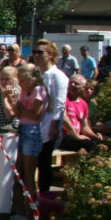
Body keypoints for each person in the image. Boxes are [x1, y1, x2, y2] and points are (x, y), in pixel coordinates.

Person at [13, 63, 48, 220]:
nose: (20, 83)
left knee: (28, 175)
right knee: (18, 174)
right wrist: (22, 110)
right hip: (23, 128)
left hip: (33, 132)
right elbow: (19, 112)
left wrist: (22, 110)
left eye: (22, 79)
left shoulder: (39, 90)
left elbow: (35, 114)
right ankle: (21, 213)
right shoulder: (24, 91)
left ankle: (30, 216)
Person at [32, 39, 68, 197]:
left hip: (48, 126)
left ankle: (44, 197)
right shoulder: (37, 73)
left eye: (40, 52)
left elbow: (59, 104)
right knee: (32, 163)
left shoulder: (58, 76)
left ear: (51, 55)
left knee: (44, 163)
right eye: (35, 52)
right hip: (34, 123)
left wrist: (54, 127)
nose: (36, 55)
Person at [62, 74, 103, 152]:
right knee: (90, 145)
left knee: (100, 143)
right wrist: (76, 135)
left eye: (76, 84)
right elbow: (64, 119)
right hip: (64, 136)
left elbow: (84, 127)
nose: (72, 85)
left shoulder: (83, 104)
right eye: (70, 82)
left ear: (83, 87)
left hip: (76, 137)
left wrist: (95, 136)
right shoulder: (63, 99)